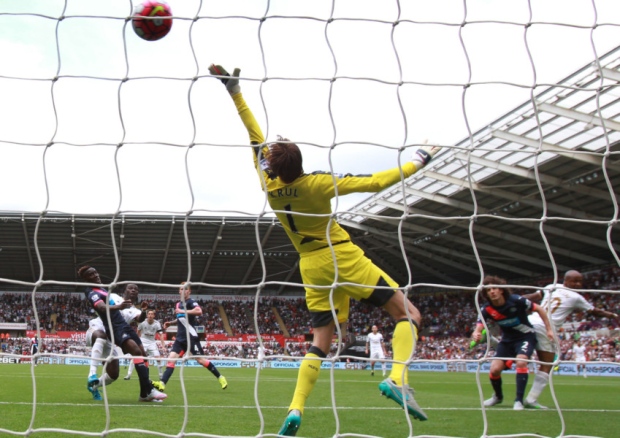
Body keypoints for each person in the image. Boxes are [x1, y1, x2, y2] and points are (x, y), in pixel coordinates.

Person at [209, 64, 437, 436]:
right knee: (408, 314)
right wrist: (419, 161)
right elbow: (377, 181)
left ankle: (295, 409)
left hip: (310, 267)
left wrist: (234, 91)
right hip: (341, 256)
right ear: (300, 163)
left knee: (321, 343)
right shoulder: (316, 184)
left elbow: (253, 136)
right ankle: (397, 378)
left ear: (274, 166)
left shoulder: (268, 185)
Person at [523, 270, 618, 408]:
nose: (578, 284)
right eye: (574, 281)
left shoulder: (551, 286)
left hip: (529, 320)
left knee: (517, 350)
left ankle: (497, 345)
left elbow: (532, 296)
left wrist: (512, 300)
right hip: (545, 327)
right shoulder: (576, 297)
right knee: (547, 363)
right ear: (566, 281)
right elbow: (594, 311)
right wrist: (612, 315)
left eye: (579, 281)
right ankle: (531, 399)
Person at [79, 265, 167, 403]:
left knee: (117, 372)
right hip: (99, 329)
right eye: (130, 288)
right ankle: (92, 374)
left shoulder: (132, 309)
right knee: (105, 337)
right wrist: (119, 306)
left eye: (136, 290)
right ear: (124, 290)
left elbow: (140, 319)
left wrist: (143, 311)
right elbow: (101, 307)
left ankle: (96, 386)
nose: (133, 291)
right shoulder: (112, 296)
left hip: (116, 335)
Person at [471, 275, 554, 411]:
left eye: (494, 288)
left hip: (525, 337)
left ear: (501, 290)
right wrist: (476, 333)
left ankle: (519, 401)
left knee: (521, 362)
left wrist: (549, 330)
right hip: (507, 340)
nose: (492, 291)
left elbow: (539, 309)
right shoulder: (486, 309)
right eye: (488, 290)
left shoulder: (516, 300)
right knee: (494, 370)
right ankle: (498, 397)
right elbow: (479, 325)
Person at [158, 283, 228, 391]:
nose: (182, 291)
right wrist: (171, 323)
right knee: (171, 359)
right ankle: (162, 383)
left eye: (185, 289)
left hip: (191, 337)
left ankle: (220, 377)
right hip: (180, 338)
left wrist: (183, 311)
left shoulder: (191, 302)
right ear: (179, 291)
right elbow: (181, 318)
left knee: (200, 360)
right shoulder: (178, 304)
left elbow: (199, 311)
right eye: (181, 289)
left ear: (189, 291)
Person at [125, 309, 166, 380]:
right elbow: (138, 333)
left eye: (151, 314)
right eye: (149, 314)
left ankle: (161, 375)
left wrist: (163, 346)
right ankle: (128, 374)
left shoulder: (157, 324)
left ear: (154, 315)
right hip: (143, 341)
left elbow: (161, 335)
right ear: (147, 315)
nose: (150, 315)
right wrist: (136, 343)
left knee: (158, 358)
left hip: (152, 342)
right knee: (135, 357)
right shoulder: (142, 322)